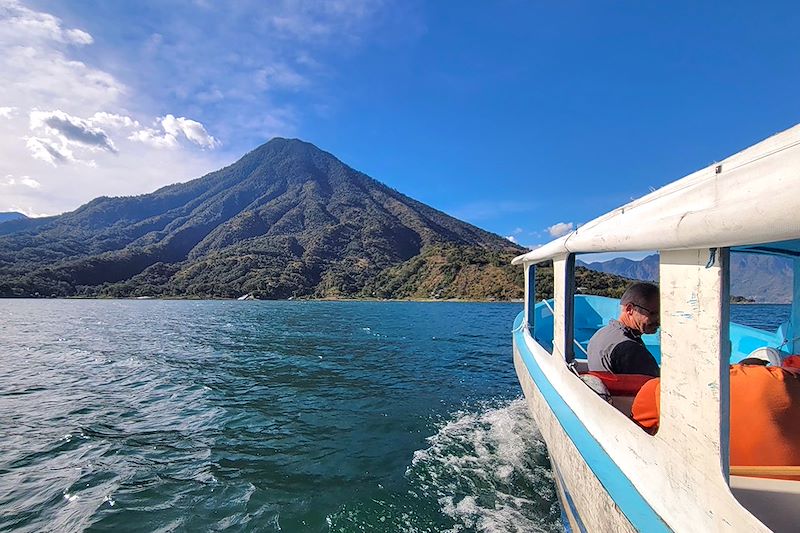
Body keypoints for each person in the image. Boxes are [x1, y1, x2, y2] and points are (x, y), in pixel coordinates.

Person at [632, 353, 800, 473]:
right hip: (788, 494)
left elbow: (636, 439)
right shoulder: (785, 381)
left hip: (703, 486)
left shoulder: (658, 389)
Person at [587, 282, 660, 377]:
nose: (659, 321)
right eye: (653, 313)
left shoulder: (599, 335)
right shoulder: (631, 349)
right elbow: (655, 384)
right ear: (630, 309)